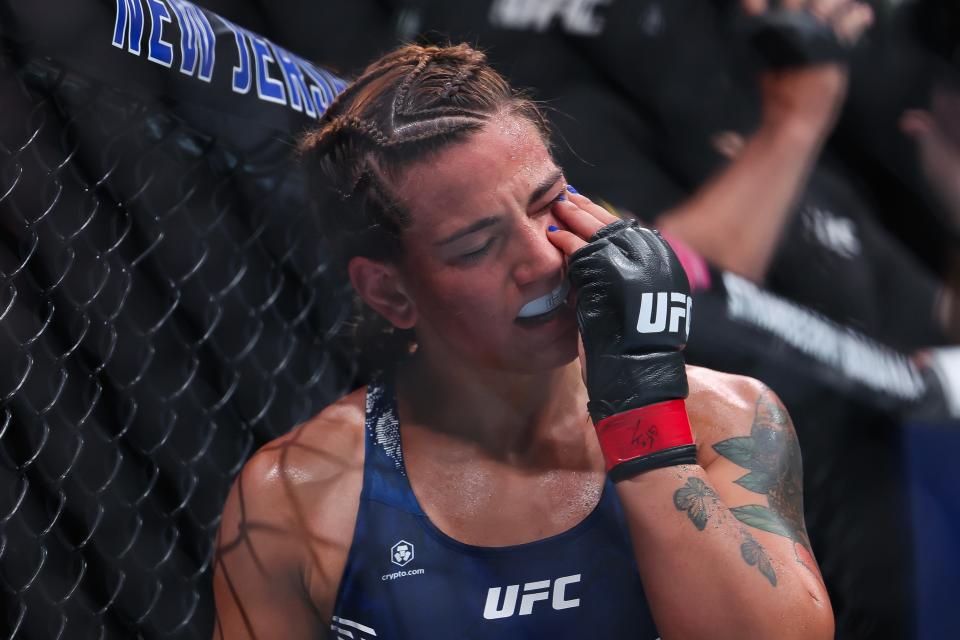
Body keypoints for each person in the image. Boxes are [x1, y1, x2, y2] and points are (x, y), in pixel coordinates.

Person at [212, 43, 833, 639]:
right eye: (476, 246)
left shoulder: (725, 418)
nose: (542, 260)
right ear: (390, 294)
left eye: (549, 202)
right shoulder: (299, 494)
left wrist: (644, 413)